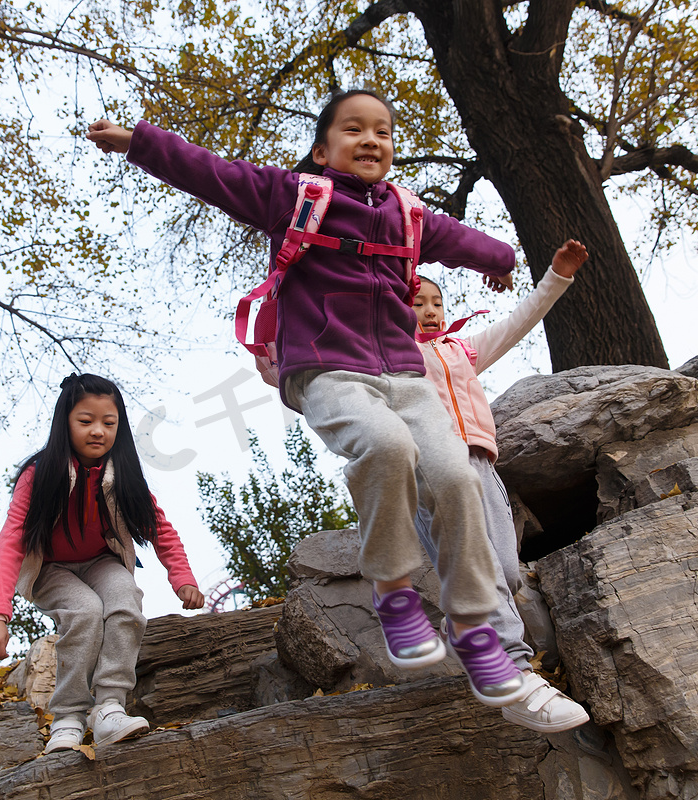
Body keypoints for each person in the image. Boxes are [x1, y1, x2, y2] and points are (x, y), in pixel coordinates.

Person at [88, 89, 531, 709]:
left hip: (404, 373)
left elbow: (457, 237)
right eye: (354, 130)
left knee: (455, 475)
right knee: (385, 446)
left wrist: (501, 258)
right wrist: (139, 142)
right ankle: (394, 590)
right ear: (323, 150)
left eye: (383, 131)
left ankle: (476, 625)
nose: (371, 139)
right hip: (326, 370)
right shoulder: (294, 196)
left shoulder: (407, 214)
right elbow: (213, 172)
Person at [413, 239, 593, 733]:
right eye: (416, 302)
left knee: (507, 573)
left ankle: (468, 629)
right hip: (428, 466)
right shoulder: (387, 358)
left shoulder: (461, 350)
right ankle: (511, 675)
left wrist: (555, 276)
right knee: (481, 569)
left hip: (479, 462)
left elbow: (518, 322)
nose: (429, 312)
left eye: (436, 304)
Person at [0, 372, 204, 754]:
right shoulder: (39, 475)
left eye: (108, 423)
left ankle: (109, 707)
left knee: (123, 598)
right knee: (84, 612)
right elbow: (12, 541)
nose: (97, 431)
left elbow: (161, 529)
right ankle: (67, 716)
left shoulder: (124, 475)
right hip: (51, 569)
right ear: (65, 422)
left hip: (101, 561)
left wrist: (182, 578)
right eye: (86, 421)